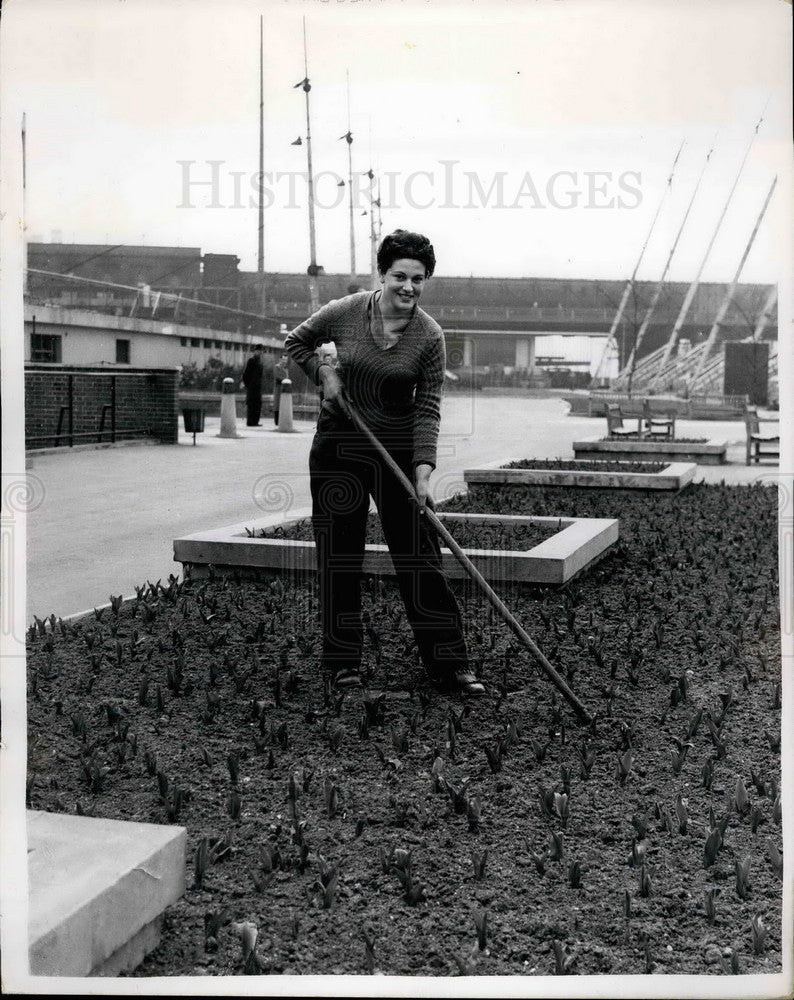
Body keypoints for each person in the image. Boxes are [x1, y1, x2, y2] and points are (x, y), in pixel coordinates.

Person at [285, 229, 485, 697]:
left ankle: (449, 664)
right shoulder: (346, 311)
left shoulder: (429, 335)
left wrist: (423, 471)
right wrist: (324, 373)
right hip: (339, 446)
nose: (408, 287)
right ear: (383, 274)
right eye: (400, 276)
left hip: (394, 450)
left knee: (419, 557)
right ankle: (343, 663)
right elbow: (297, 342)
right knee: (340, 553)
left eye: (418, 279)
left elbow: (427, 407)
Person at [241, 344, 264, 426]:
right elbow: (245, 375)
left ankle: (256, 421)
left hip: (258, 387)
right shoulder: (251, 360)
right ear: (255, 351)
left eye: (261, 351)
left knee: (258, 404)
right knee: (251, 404)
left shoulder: (260, 362)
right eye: (258, 351)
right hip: (252, 387)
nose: (260, 352)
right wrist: (248, 385)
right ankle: (250, 422)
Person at [272, 353, 290, 426]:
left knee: (284, 404)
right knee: (277, 404)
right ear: (280, 359)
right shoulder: (277, 367)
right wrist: (285, 380)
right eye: (283, 359)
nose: (284, 361)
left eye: (286, 359)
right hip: (278, 388)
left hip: (285, 389)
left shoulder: (286, 369)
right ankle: (277, 421)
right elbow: (278, 377)